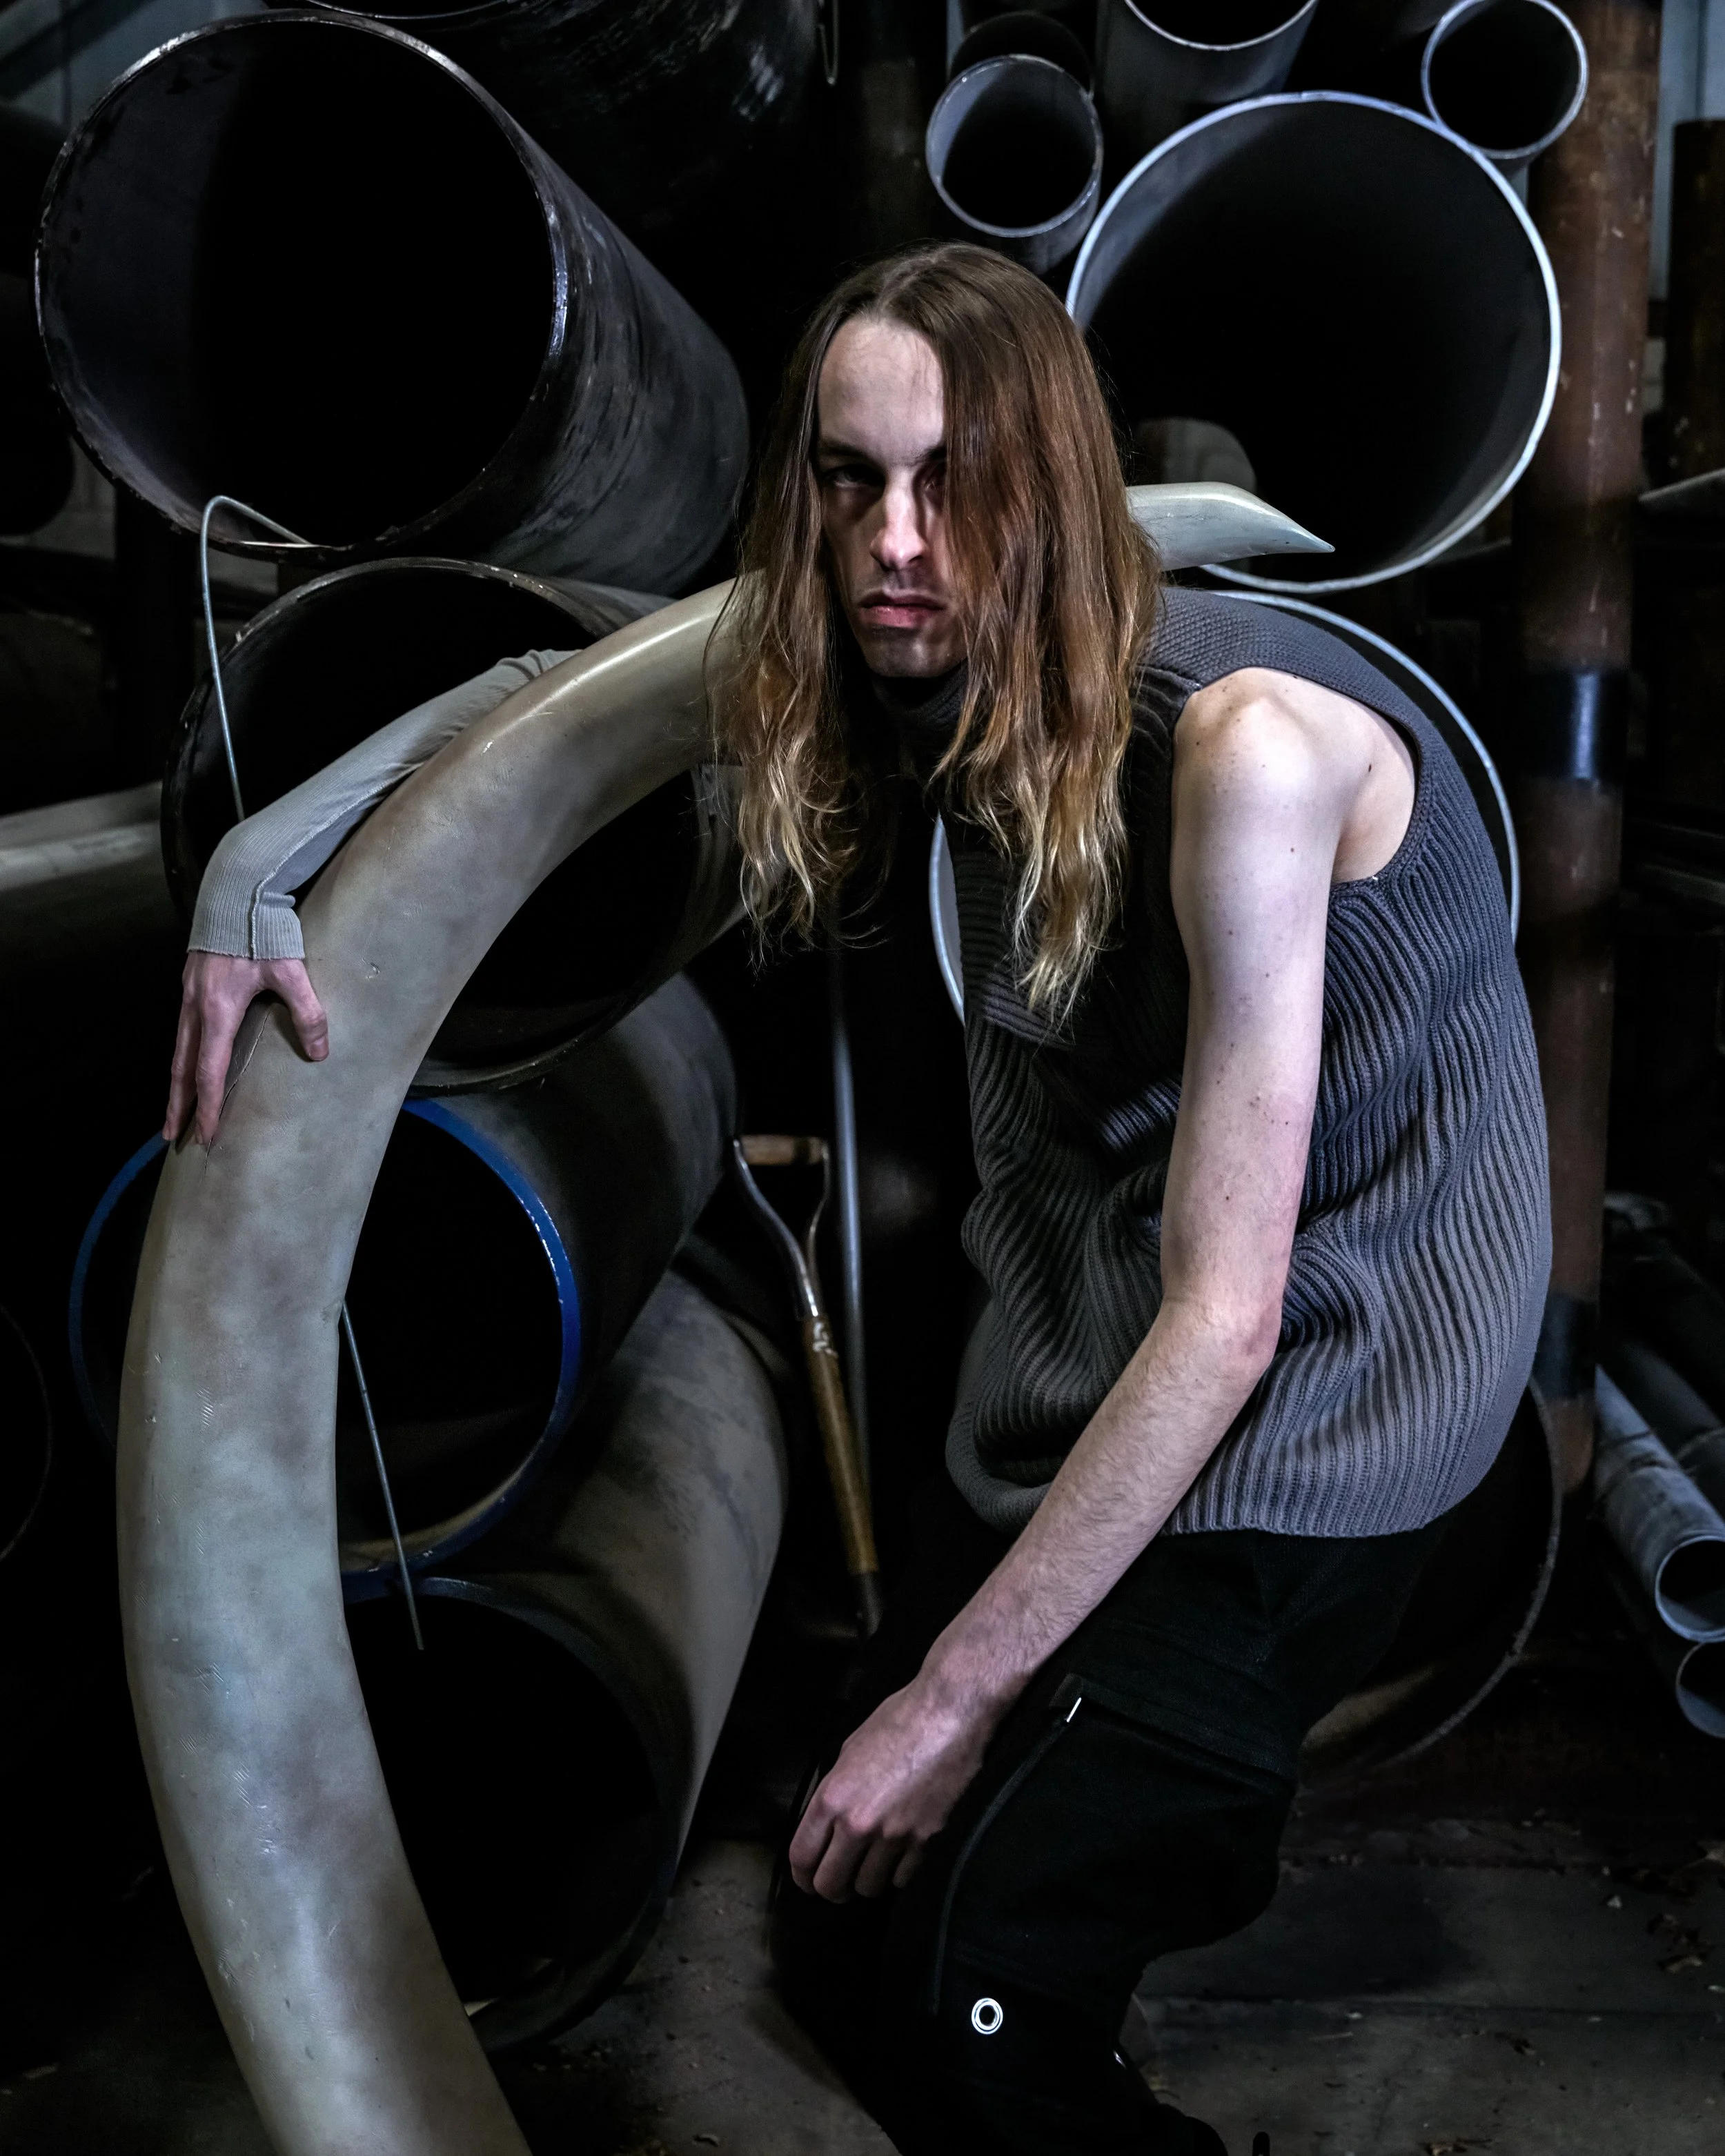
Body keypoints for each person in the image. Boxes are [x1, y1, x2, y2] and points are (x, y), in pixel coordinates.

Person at [167, 244, 1549, 2156]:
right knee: (848, 1940)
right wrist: (259, 859)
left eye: (953, 476)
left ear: (1049, 487)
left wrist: (949, 1696)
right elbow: (546, 702)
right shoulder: (906, 641)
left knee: (966, 2009)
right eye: (846, 476)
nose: (895, 536)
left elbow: (1229, 1311)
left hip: (1319, 1419)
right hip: (1107, 1381)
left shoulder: (1246, 752)